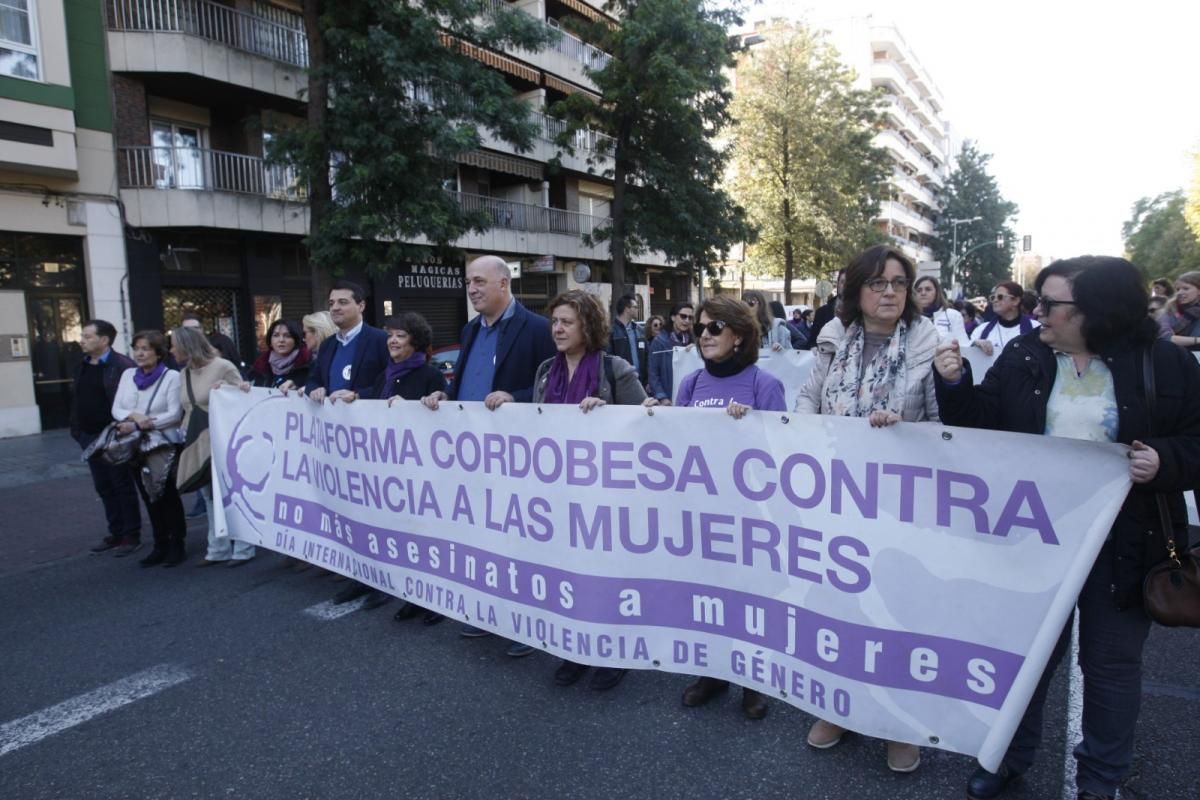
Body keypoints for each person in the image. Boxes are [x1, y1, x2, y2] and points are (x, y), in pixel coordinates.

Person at [932, 256, 1200, 800]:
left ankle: (1101, 779)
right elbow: (983, 425)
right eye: (1036, 301)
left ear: (1097, 312)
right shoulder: (1026, 353)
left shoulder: (1163, 365)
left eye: (1051, 304)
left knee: (1110, 669)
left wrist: (1165, 461)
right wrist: (954, 384)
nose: (1038, 313)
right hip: (1033, 544)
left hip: (1124, 544)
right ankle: (1006, 759)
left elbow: (1195, 440)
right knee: (1023, 663)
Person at [794, 244, 937, 774]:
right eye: (878, 283)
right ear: (856, 291)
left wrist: (901, 424)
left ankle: (899, 725)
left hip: (901, 505)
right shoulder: (833, 340)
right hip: (838, 499)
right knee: (842, 610)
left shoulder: (927, 344)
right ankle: (842, 708)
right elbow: (808, 399)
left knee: (896, 614)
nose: (890, 292)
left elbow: (947, 427)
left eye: (898, 283)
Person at [656, 295, 784, 721]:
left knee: (746, 597)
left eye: (714, 328)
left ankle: (752, 681)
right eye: (699, 329)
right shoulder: (691, 384)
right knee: (706, 594)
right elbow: (678, 446)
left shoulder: (763, 385)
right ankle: (712, 673)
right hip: (701, 511)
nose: (704, 336)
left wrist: (750, 429)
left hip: (748, 514)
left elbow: (784, 454)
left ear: (740, 336)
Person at [421, 255, 555, 656]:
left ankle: (529, 622)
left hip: (516, 457)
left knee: (520, 541)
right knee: (483, 536)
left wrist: (517, 397)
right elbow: (467, 381)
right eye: (468, 283)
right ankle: (490, 611)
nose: (472, 289)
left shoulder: (536, 329)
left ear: (503, 284)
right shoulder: (470, 329)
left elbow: (555, 385)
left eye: (479, 281)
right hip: (471, 456)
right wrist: (447, 394)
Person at [534, 290, 647, 691]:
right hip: (561, 493)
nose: (558, 329)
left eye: (567, 321)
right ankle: (574, 648)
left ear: (588, 326)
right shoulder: (546, 370)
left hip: (607, 497)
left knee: (609, 577)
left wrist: (610, 416)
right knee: (570, 572)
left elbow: (648, 420)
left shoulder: (615, 369)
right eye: (555, 322)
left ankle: (614, 652)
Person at [341, 312, 448, 616]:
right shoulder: (383, 376)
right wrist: (356, 399)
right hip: (387, 472)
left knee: (423, 536)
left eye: (400, 335)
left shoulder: (430, 376)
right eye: (390, 335)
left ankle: (434, 601)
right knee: (397, 534)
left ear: (416, 341)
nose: (393, 341)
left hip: (420, 473)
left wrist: (425, 404)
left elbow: (444, 418)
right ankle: (404, 592)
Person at [174, 326, 255, 566]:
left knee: (232, 493)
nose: (171, 350)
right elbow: (187, 408)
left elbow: (242, 399)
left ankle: (243, 547)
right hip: (197, 441)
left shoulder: (223, 367)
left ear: (187, 346)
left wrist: (228, 390)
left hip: (224, 439)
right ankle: (217, 547)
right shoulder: (183, 374)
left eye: (174, 345)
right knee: (208, 495)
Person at [112, 330, 186, 567]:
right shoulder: (127, 375)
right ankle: (159, 543)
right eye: (137, 348)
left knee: (166, 494)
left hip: (163, 443)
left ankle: (177, 543)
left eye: (145, 348)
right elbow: (117, 408)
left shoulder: (172, 376)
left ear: (158, 351)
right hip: (136, 443)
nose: (140, 353)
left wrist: (146, 423)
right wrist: (135, 420)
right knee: (147, 495)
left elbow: (174, 413)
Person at [71, 320, 141, 555]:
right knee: (104, 487)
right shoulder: (82, 364)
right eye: (83, 335)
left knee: (122, 485)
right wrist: (78, 431)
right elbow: (78, 397)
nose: (82, 340)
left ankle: (131, 535)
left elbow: (132, 399)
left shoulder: (121, 365)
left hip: (114, 435)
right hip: (89, 436)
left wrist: (126, 426)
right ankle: (116, 531)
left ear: (104, 340)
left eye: (88, 336)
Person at [303, 280, 390, 404]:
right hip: (331, 420)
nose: (335, 308)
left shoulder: (380, 339)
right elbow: (313, 380)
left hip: (368, 419)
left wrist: (358, 395)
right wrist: (315, 389)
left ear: (361, 306)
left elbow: (391, 381)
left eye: (343, 302)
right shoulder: (327, 344)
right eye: (331, 303)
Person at [970, 281, 1039, 357]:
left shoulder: (1036, 328)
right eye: (993, 297)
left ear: (1016, 301)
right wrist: (974, 344)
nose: (995, 300)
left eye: (1000, 297)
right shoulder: (981, 330)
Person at [646, 301, 694, 405]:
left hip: (689, 399)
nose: (687, 320)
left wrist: (696, 350)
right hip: (668, 399)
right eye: (683, 316)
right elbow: (653, 374)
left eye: (690, 318)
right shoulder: (659, 341)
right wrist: (662, 397)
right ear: (673, 317)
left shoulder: (694, 340)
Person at [246, 319, 311, 389]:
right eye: (276, 335)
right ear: (270, 340)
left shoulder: (308, 364)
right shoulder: (260, 365)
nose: (281, 340)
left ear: (296, 340)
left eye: (287, 336)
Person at [914, 275, 970, 345]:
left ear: (937, 292)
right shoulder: (910, 318)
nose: (923, 293)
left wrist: (975, 343)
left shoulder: (953, 315)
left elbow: (964, 344)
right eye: (919, 290)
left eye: (928, 289)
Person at [608, 293, 648, 387]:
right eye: (635, 307)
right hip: (622, 382)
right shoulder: (611, 331)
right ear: (627, 309)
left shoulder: (639, 330)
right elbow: (609, 359)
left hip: (641, 382)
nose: (638, 309)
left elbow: (647, 356)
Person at [1156, 271, 1200, 351]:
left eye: (1186, 288)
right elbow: (1165, 338)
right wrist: (1197, 340)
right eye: (1178, 289)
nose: (1180, 292)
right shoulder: (1170, 310)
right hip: (1177, 355)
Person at [809, 269, 844, 344]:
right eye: (842, 282)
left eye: (850, 282)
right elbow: (812, 342)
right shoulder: (822, 312)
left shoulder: (863, 312)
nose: (846, 285)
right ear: (838, 284)